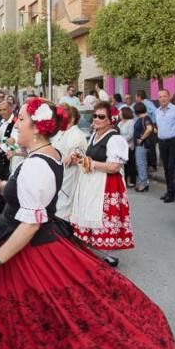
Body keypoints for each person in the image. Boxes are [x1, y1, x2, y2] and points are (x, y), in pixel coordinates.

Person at [0, 98, 175, 349]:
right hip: (36, 241)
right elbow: (30, 200)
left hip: (27, 249)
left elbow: (30, 222)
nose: (16, 124)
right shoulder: (47, 156)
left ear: (34, 128)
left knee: (46, 322)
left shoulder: (36, 164)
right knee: (52, 321)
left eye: (22, 120)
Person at [70, 102, 134, 257]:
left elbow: (114, 167)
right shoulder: (94, 135)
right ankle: (93, 250)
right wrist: (81, 158)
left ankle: (108, 255)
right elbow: (91, 158)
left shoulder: (115, 139)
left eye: (101, 116)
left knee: (104, 217)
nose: (97, 119)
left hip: (107, 184)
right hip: (92, 182)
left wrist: (91, 163)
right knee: (90, 212)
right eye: (95, 116)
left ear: (109, 119)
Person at [51, 102, 88, 220]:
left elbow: (74, 157)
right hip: (57, 179)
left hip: (68, 180)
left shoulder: (77, 135)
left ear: (71, 119)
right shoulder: (61, 133)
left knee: (63, 213)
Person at [154, 89, 175, 203]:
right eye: (160, 96)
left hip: (174, 142)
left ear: (169, 97)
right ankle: (169, 191)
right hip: (162, 142)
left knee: (173, 167)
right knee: (166, 168)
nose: (162, 98)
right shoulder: (157, 111)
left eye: (164, 96)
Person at [0, 101, 18, 215]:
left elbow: (14, 141)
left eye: (4, 110)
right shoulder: (2, 122)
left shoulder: (15, 123)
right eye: (0, 110)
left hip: (10, 157)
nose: (2, 112)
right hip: (1, 155)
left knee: (7, 183)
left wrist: (2, 145)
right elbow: (1, 139)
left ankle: (7, 208)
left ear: (11, 109)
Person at [132, 102, 156, 192]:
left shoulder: (145, 118)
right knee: (142, 163)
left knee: (140, 164)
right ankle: (144, 182)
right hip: (141, 144)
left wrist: (141, 138)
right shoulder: (143, 118)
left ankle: (143, 183)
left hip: (142, 144)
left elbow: (149, 129)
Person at [118, 105, 137, 187]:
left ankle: (132, 181)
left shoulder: (131, 122)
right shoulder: (120, 123)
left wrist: (121, 140)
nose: (119, 114)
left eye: (120, 112)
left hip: (128, 146)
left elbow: (130, 134)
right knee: (123, 165)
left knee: (130, 164)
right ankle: (124, 180)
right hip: (121, 147)